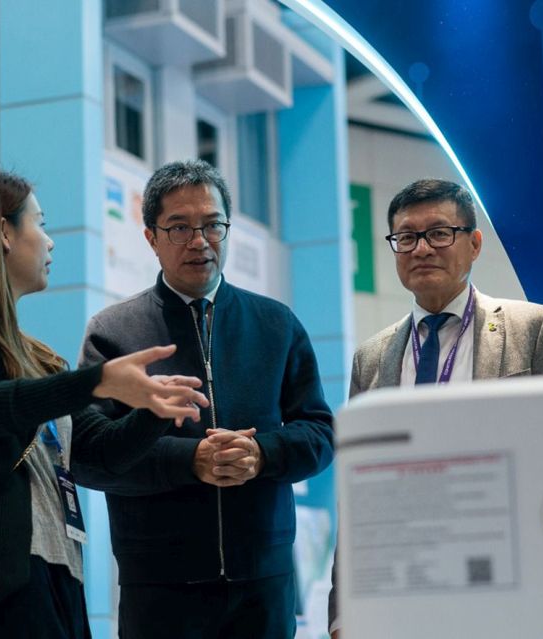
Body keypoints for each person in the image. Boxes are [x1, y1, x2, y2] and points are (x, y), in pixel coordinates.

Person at [0, 169, 209, 638]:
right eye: (39, 223)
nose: (50, 242)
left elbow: (99, 451)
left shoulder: (37, 357)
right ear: (3, 233)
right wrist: (97, 381)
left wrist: (154, 409)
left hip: (55, 572)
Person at [75, 159, 335, 639]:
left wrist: (262, 455)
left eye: (213, 224)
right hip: (159, 587)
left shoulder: (276, 324)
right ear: (151, 237)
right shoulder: (113, 333)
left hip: (264, 583)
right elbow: (89, 456)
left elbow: (320, 433)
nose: (199, 241)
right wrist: (188, 460)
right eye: (179, 228)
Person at [327, 178, 543, 637]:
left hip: (509, 583)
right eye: (406, 237)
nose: (422, 249)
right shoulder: (372, 357)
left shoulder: (533, 329)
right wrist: (344, 610)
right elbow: (357, 490)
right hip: (404, 585)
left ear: (474, 243)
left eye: (440, 233)